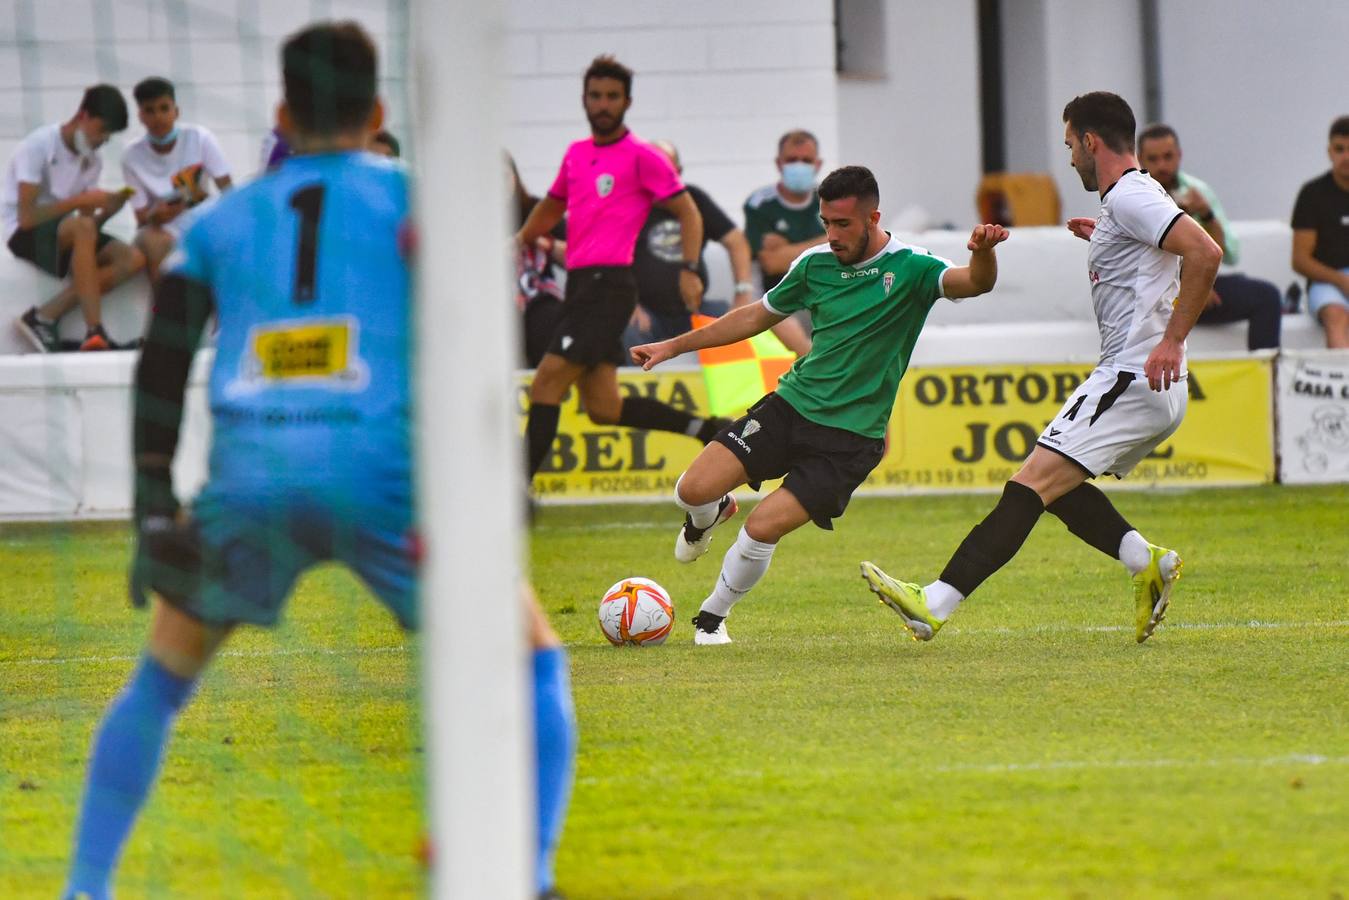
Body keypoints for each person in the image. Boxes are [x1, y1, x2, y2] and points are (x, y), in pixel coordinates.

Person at [62, 23, 576, 900]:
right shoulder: (421, 202)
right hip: (388, 476)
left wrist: (154, 504)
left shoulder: (224, 217)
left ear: (281, 113)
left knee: (160, 680)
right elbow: (466, 348)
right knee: (532, 661)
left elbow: (164, 356)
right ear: (377, 112)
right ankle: (523, 875)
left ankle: (85, 888)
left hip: (252, 476)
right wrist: (497, 477)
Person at [859, 91, 1222, 646]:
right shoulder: (1126, 202)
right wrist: (1103, 238)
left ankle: (935, 602)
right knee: (1053, 484)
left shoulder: (1129, 197)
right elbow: (1159, 254)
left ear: (1091, 141)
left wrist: (1172, 340)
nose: (1070, 155)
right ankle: (1143, 561)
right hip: (1139, 382)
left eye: (1071, 144)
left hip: (1132, 375)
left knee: (1029, 485)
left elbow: (1205, 251)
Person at [631, 165, 1009, 645]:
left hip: (849, 440)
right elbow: (753, 317)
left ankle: (710, 619)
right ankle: (709, 513)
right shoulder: (813, 265)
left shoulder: (913, 266)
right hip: (791, 407)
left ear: (873, 217)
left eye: (843, 224)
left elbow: (976, 283)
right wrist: (674, 346)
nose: (832, 234)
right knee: (690, 490)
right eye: (826, 222)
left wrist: (984, 254)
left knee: (762, 526)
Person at [515, 55, 730, 481]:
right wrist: (521, 240)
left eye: (612, 96)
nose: (603, 105)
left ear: (627, 102)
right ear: (584, 100)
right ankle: (708, 428)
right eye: (596, 96)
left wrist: (689, 267)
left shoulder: (641, 157)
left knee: (546, 385)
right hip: (581, 286)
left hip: (609, 287)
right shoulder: (576, 155)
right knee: (603, 409)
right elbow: (552, 205)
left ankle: (512, 497)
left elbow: (689, 212)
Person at [6, 84, 144, 352]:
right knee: (79, 227)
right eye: (101, 131)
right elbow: (26, 218)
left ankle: (44, 317)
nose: (102, 140)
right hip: (22, 233)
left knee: (132, 258)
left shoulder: (92, 160)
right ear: (83, 116)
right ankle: (95, 330)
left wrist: (109, 210)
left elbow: (88, 227)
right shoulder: (39, 146)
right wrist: (80, 201)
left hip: (64, 233)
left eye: (108, 136)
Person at [1136, 123, 1281, 350]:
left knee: (1267, 296)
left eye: (1168, 157)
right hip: (1156, 291)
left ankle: (1266, 377)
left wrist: (1206, 213)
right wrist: (1192, 287)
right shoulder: (1135, 196)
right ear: (1140, 160)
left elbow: (1229, 253)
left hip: (1201, 282)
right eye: (1153, 159)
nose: (1162, 165)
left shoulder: (1196, 190)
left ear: (1179, 155)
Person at [627, 139, 754, 344]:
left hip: (696, 309)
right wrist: (629, 304)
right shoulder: (627, 206)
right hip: (646, 313)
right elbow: (610, 261)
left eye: (665, 168)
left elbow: (736, 242)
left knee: (742, 328)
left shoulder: (694, 199)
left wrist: (742, 295)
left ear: (678, 171)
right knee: (624, 331)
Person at [121, 77, 233, 282]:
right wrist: (157, 215)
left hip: (203, 220)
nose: (158, 117)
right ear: (140, 116)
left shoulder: (200, 137)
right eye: (150, 111)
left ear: (176, 111)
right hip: (163, 229)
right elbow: (141, 217)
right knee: (151, 240)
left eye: (164, 108)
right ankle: (163, 311)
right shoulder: (131, 155)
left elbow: (227, 189)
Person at [740, 130, 820, 355]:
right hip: (780, 294)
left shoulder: (829, 198)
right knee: (773, 314)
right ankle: (811, 365)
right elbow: (772, 263)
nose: (799, 166)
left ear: (818, 163)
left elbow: (848, 248)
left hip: (825, 290)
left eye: (806, 160)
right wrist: (824, 244)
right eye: (792, 160)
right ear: (779, 163)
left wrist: (788, 250)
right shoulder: (760, 204)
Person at [1291, 115, 1349, 349]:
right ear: (1329, 152)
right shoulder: (1313, 194)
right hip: (1326, 282)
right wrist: (1341, 281)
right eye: (1340, 149)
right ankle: (1343, 382)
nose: (1346, 157)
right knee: (1336, 316)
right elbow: (1300, 260)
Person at [509, 154, 567, 368]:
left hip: (537, 298)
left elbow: (581, 256)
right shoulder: (471, 218)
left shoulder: (537, 211)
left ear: (514, 176)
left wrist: (548, 245)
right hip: (492, 299)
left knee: (548, 315)